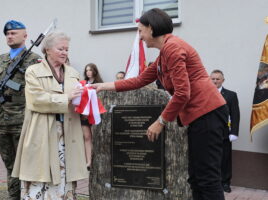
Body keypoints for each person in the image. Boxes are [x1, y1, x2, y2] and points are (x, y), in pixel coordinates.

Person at [92, 8, 228, 200]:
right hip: (200, 117)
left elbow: (182, 93)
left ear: (151, 28)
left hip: (208, 113)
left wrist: (161, 121)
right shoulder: (163, 55)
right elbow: (138, 81)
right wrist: (101, 86)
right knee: (196, 178)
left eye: (141, 31)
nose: (140, 37)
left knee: (207, 178)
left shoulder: (173, 48)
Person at [12, 31, 88, 200]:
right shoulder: (33, 71)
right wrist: (66, 97)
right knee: (40, 174)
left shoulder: (73, 73)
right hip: (42, 132)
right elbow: (36, 100)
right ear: (47, 49)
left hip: (68, 134)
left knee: (65, 176)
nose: (64, 52)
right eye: (60, 48)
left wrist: (87, 100)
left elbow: (79, 100)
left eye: (67, 49)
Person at [0, 20, 41, 200]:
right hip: (1, 120)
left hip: (24, 120)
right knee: (10, 163)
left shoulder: (34, 60)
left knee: (27, 163)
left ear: (25, 36)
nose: (9, 36)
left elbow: (40, 88)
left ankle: (30, 195)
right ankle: (14, 196)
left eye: (13, 33)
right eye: (7, 34)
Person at [210, 69, 240, 193]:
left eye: (218, 78)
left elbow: (235, 115)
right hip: (208, 133)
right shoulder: (204, 93)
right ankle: (211, 182)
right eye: (213, 78)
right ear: (209, 79)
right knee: (209, 159)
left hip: (224, 134)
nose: (215, 81)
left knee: (225, 159)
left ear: (223, 80)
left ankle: (225, 183)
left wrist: (234, 132)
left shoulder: (231, 95)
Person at [81, 63, 103, 170]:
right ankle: (88, 161)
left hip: (95, 115)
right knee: (87, 137)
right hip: (85, 115)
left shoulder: (100, 83)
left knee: (95, 137)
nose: (88, 72)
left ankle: (96, 160)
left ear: (94, 71)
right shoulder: (83, 83)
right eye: (86, 70)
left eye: (90, 70)